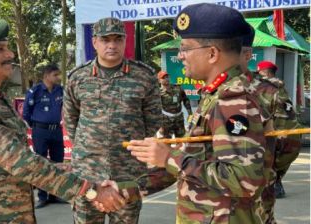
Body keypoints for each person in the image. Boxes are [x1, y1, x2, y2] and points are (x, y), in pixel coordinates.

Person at [0, 19, 126, 223]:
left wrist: (86, 177)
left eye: (7, 47)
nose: (10, 54)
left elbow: (22, 162)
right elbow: (21, 162)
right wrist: (90, 190)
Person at [127, 3, 272, 223]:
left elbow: (245, 180)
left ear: (212, 53)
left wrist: (170, 157)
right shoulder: (217, 95)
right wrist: (128, 190)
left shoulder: (233, 100)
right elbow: (194, 162)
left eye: (185, 48)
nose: (180, 55)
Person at [63, 17, 163, 224]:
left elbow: (152, 121)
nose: (112, 45)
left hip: (128, 174)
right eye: (105, 39)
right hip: (88, 174)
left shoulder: (144, 76)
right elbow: (71, 120)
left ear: (125, 41)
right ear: (95, 42)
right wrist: (91, 148)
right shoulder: (78, 78)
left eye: (118, 39)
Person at [255, 61, 301, 198]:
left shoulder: (263, 88)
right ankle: (276, 183)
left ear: (264, 72)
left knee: (267, 160)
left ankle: (271, 185)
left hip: (274, 133)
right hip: (294, 135)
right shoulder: (281, 88)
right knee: (279, 161)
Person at [23, 64, 65, 208]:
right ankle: (42, 196)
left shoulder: (60, 90)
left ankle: (56, 194)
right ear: (47, 76)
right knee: (41, 163)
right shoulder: (35, 91)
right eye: (55, 75)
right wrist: (36, 125)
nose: (58, 78)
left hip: (57, 131)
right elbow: (26, 112)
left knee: (57, 162)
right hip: (40, 131)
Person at [157, 71, 192, 138]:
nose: (166, 79)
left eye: (167, 77)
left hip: (179, 119)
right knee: (166, 142)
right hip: (166, 121)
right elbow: (155, 109)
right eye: (163, 78)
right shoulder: (158, 92)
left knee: (181, 140)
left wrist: (190, 116)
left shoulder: (178, 88)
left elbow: (186, 101)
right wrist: (159, 126)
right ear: (159, 81)